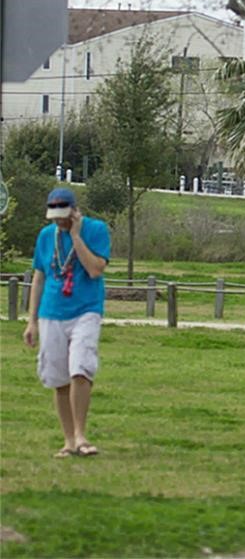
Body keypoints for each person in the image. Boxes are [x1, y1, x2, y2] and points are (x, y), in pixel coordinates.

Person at [23, 187, 111, 458]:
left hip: (86, 309)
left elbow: (95, 269)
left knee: (80, 369)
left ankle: (82, 435)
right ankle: (69, 440)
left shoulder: (96, 230)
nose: (59, 221)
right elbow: (39, 277)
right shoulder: (46, 236)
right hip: (52, 311)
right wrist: (32, 320)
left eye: (63, 216)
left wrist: (75, 236)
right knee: (59, 378)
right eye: (55, 217)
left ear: (74, 211)